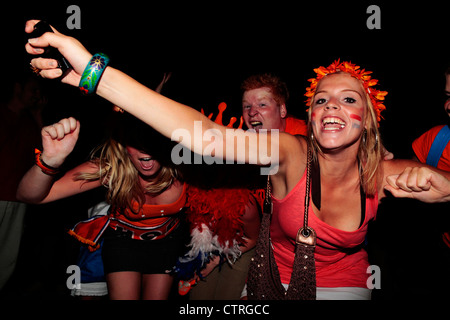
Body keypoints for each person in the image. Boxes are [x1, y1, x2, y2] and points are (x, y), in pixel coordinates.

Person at [24, 21, 450, 299]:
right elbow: (206, 138)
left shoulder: (387, 173)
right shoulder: (288, 151)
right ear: (311, 115)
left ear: (369, 123)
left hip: (344, 286)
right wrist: (93, 74)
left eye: (348, 98)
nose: (331, 106)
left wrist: (443, 187)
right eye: (322, 99)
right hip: (270, 282)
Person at [17, 113, 190, 300]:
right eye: (135, 139)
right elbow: (28, 195)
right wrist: (49, 161)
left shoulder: (185, 172)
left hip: (165, 244)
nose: (145, 150)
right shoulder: (111, 170)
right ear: (123, 142)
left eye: (153, 139)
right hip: (123, 243)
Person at [0, 73, 45, 291]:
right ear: (18, 88)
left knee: (7, 258)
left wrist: (38, 116)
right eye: (33, 90)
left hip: (16, 198)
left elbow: (44, 159)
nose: (37, 95)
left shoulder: (29, 123)